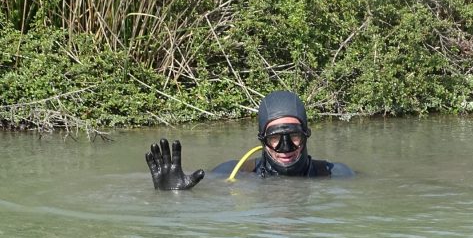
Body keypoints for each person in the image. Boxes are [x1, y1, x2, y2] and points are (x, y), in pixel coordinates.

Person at [145, 90, 353, 190]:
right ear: (262, 139)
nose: (285, 147)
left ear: (307, 134)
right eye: (275, 138)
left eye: (294, 136)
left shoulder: (336, 175)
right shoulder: (231, 173)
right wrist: (172, 195)